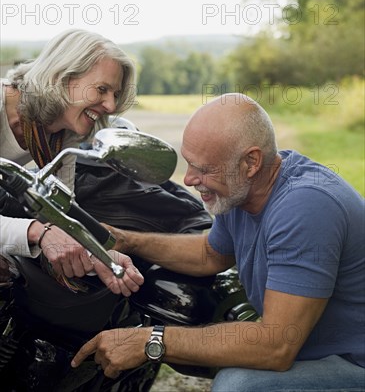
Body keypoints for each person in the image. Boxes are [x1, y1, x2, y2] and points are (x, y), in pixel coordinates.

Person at [72, 93, 365, 391]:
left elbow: (276, 346)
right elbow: (210, 254)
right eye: (188, 163)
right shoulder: (246, 188)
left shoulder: (305, 207)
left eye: (203, 169)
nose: (188, 180)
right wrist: (124, 239)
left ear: (251, 162)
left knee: (238, 385)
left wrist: (152, 340)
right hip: (317, 350)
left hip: (355, 361)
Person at [0, 28, 143, 295]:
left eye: (115, 94)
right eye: (102, 89)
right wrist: (37, 232)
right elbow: (46, 228)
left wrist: (101, 258)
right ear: (60, 77)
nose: (111, 106)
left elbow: (60, 213)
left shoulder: (61, 135)